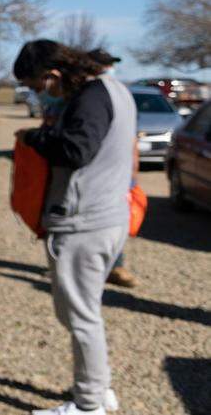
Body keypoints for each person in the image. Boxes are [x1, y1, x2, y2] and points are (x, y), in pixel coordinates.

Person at [14, 41, 135, 415]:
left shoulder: (90, 97)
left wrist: (34, 137)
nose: (39, 94)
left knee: (80, 317)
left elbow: (77, 150)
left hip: (85, 222)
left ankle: (88, 405)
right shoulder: (114, 89)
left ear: (52, 75)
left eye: (37, 86)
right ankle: (99, 389)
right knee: (85, 314)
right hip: (106, 215)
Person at [87, 48, 137, 289]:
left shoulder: (120, 93)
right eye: (104, 64)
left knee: (116, 222)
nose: (108, 69)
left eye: (110, 64)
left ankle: (115, 265)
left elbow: (131, 137)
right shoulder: (88, 97)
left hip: (119, 172)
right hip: (98, 174)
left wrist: (133, 172)